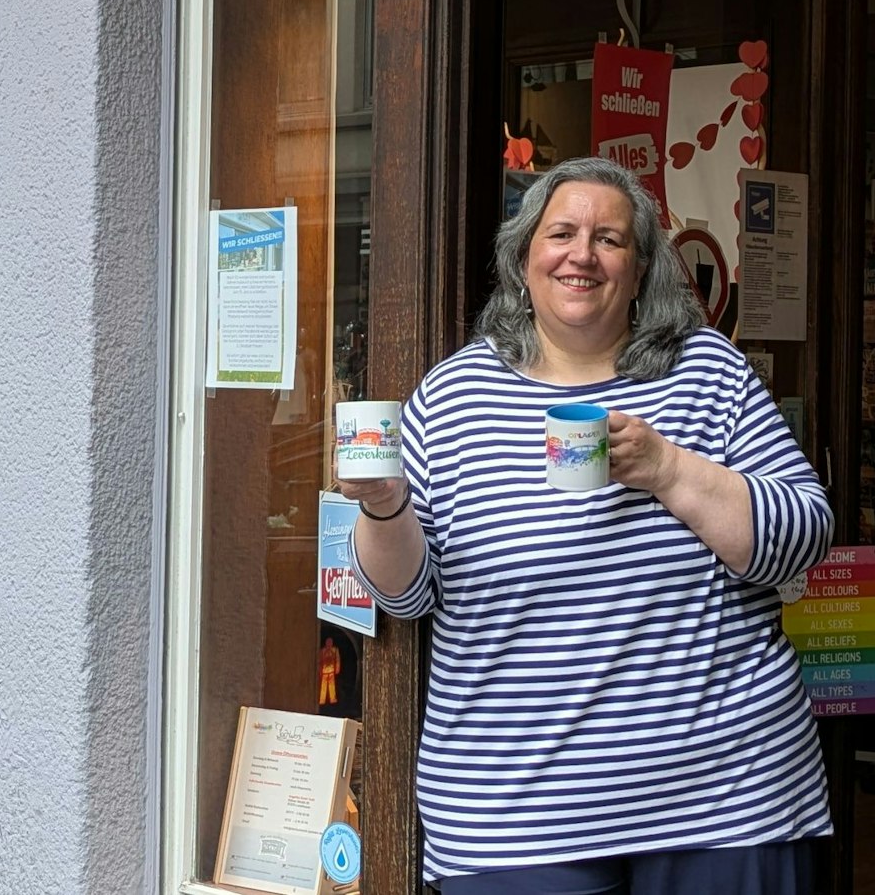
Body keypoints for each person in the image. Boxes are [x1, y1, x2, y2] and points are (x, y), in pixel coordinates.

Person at [341, 157, 833, 895]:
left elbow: (804, 535)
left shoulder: (706, 372)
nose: (582, 254)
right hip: (513, 815)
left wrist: (668, 469)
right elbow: (408, 597)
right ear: (522, 260)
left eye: (610, 239)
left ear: (640, 271)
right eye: (561, 233)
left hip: (726, 801)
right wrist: (382, 505)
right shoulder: (453, 396)